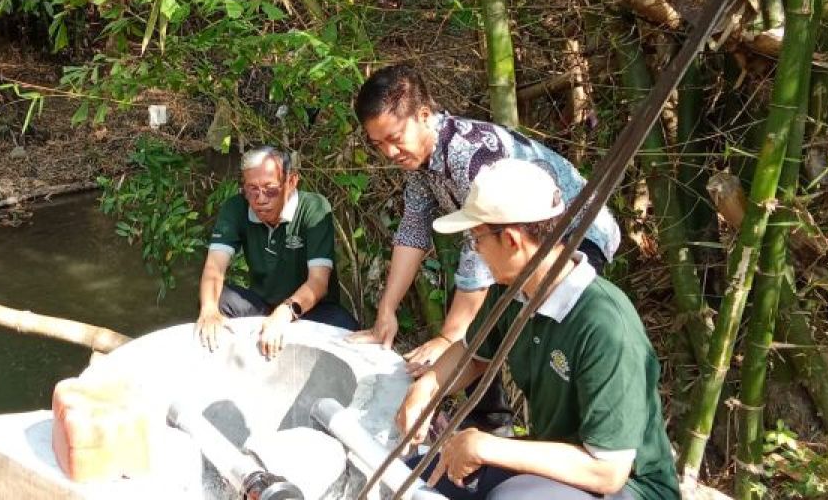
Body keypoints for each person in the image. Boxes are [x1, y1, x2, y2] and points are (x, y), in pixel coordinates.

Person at [348, 64, 622, 430]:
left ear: (424, 116)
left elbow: (479, 256)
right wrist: (387, 310)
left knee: (535, 334)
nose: (389, 152)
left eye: (395, 138)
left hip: (574, 233)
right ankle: (490, 423)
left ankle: (569, 437)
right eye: (379, 144)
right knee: (476, 325)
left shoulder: (469, 152)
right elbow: (413, 229)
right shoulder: (419, 163)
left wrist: (448, 337)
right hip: (509, 245)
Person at [397, 159, 680, 500]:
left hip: (628, 487)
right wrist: (426, 389)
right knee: (417, 476)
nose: (475, 251)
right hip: (553, 463)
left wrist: (486, 446)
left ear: (513, 240)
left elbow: (608, 471)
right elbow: (473, 357)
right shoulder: (512, 291)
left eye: (476, 240)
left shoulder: (605, 327)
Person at [196, 146, 358, 359]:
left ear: (291, 182)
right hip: (262, 305)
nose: (260, 199)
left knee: (348, 330)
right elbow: (214, 266)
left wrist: (284, 313)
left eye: (270, 189)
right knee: (218, 299)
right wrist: (208, 310)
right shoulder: (235, 208)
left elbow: (318, 282)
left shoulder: (313, 208)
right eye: (252, 189)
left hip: (309, 310)